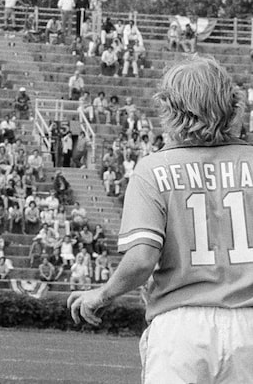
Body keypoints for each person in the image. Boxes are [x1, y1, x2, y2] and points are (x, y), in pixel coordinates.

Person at [68, 55, 253, 383]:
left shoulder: (152, 169)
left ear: (170, 108)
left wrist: (103, 294)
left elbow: (141, 260)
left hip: (180, 331)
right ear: (232, 104)